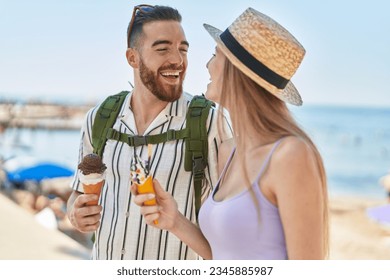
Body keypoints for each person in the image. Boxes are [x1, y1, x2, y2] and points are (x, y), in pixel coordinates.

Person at [133, 7, 329, 260]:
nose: (207, 65)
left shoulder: (290, 155)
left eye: (215, 55)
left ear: (237, 72)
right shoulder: (228, 151)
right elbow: (224, 258)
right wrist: (175, 221)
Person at [66, 4, 232, 260]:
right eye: (163, 48)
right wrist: (74, 214)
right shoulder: (99, 119)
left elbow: (234, 240)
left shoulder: (210, 123)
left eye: (183, 49)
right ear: (133, 58)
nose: (177, 60)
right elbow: (77, 193)